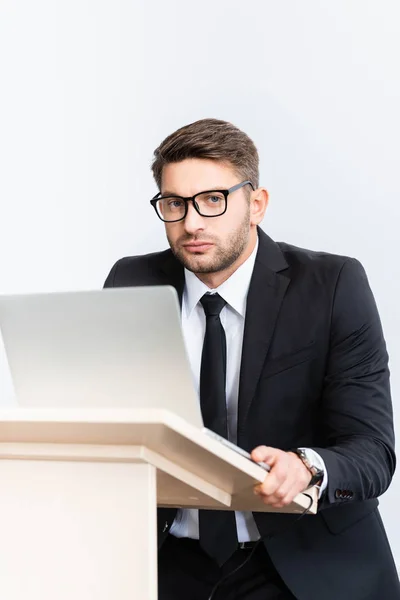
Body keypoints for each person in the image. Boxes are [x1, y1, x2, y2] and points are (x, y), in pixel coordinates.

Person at [104, 118, 400, 600]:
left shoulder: (332, 287)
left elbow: (372, 451)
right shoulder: (132, 282)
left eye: (213, 200)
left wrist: (307, 467)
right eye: (174, 204)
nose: (192, 222)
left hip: (299, 565)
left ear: (256, 204)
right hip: (170, 560)